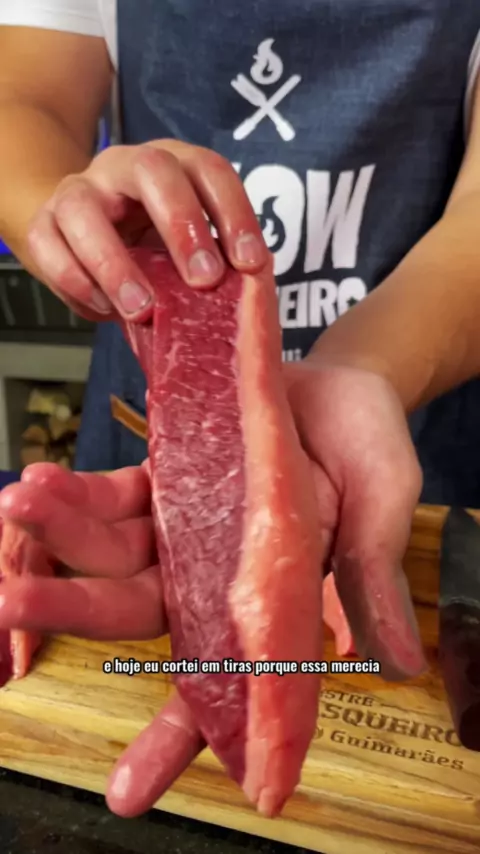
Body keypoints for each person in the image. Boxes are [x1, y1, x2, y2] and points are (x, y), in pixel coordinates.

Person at [0, 0, 480, 816]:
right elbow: (25, 98)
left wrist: (365, 366)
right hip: (155, 407)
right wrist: (76, 224)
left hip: (411, 398)